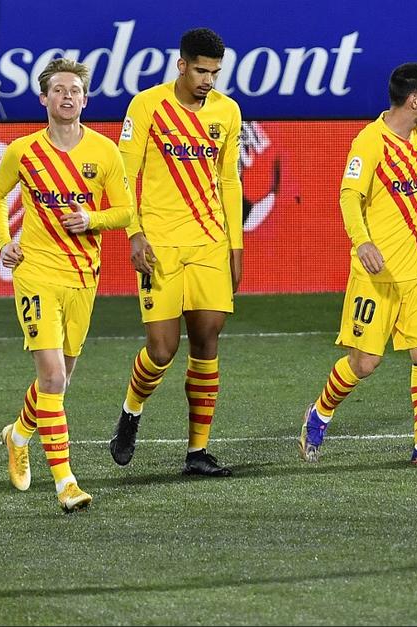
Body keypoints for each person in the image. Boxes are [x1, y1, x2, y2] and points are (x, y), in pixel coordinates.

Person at [300, 63, 417, 465]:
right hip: (377, 274)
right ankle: (320, 412)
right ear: (413, 99)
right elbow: (349, 196)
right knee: (365, 363)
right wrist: (362, 241)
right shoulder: (370, 142)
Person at [0, 58, 134, 512]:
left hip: (83, 276)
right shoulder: (23, 151)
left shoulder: (105, 152)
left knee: (60, 380)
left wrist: (92, 219)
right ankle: (66, 482)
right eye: (59, 90)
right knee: (51, 376)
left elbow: (127, 211)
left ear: (84, 100)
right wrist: (3, 241)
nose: (67, 96)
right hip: (35, 273)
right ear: (44, 99)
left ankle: (19, 433)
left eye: (75, 90)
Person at [108, 28, 243, 476]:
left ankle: (197, 452)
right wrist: (134, 232)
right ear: (182, 65)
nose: (209, 79)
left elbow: (229, 180)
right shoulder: (146, 105)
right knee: (162, 349)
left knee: (207, 342)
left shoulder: (228, 111)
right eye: (201, 70)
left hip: (209, 244)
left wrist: (235, 244)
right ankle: (131, 411)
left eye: (215, 72)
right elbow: (124, 173)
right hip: (159, 245)